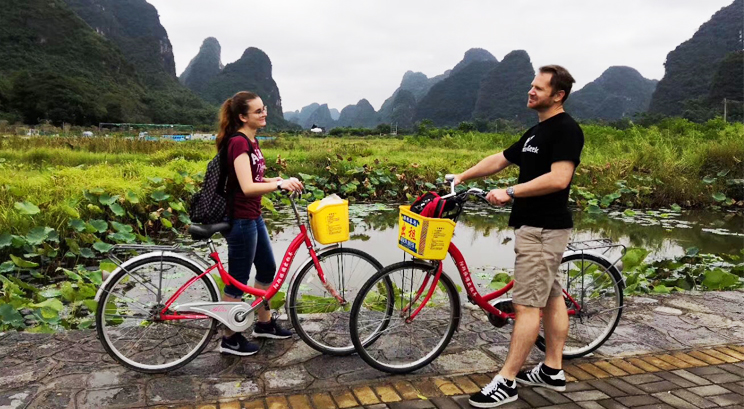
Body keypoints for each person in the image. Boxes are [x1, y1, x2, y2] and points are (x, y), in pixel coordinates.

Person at [459, 66, 584, 408]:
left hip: (544, 229)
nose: (530, 91)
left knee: (526, 305)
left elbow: (560, 179)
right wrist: (462, 175)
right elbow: (500, 159)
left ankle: (507, 381)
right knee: (552, 296)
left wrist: (510, 192)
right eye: (531, 85)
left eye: (538, 88)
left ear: (557, 95)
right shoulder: (535, 132)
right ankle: (552, 370)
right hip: (534, 227)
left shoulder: (566, 130)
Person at [216, 91, 304, 356]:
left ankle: (264, 324)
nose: (264, 113)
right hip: (241, 219)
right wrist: (277, 185)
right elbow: (245, 187)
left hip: (253, 216)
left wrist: (279, 179)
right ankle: (229, 338)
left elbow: (256, 178)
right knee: (237, 282)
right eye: (257, 111)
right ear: (242, 117)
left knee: (267, 269)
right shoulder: (238, 143)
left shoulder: (252, 142)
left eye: (264, 108)